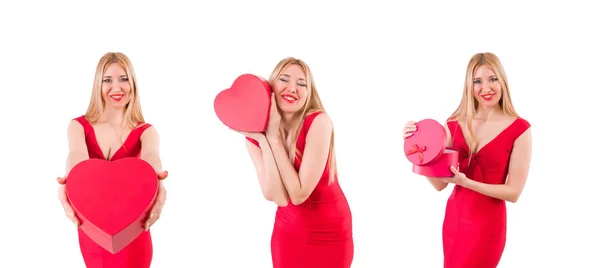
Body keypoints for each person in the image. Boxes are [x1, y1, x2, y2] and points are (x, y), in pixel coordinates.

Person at [403, 52, 532, 268]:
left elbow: (513, 193)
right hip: (455, 221)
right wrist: (416, 149)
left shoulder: (519, 129)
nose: (486, 88)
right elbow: (439, 184)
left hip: (488, 226)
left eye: (493, 79)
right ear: (469, 86)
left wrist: (467, 183)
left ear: (502, 81)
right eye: (477, 81)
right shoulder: (454, 124)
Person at [232, 57, 354, 268]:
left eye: (301, 84)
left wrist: (274, 139)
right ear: (270, 87)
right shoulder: (255, 138)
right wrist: (264, 138)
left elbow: (298, 194)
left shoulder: (319, 122)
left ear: (309, 94)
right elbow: (276, 196)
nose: (292, 88)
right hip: (288, 232)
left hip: (331, 234)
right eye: (284, 80)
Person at [56, 52, 168, 268]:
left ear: (133, 83)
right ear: (98, 84)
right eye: (107, 80)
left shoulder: (146, 132)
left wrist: (158, 182)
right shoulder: (78, 126)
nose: (116, 88)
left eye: (123, 79)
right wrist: (70, 180)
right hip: (93, 233)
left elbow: (151, 159)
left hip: (134, 234)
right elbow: (76, 157)